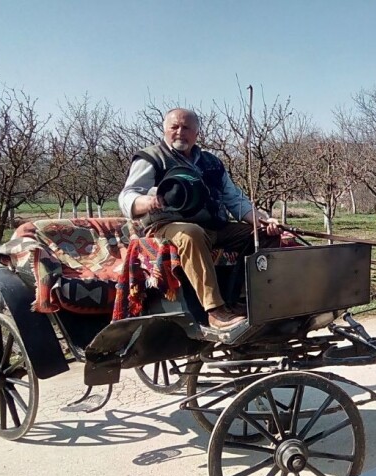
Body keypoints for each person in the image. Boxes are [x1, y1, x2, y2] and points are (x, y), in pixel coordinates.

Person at [118, 108, 281, 330]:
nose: (180, 132)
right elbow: (128, 196)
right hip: (167, 226)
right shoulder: (151, 158)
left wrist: (262, 220)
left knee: (262, 235)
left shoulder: (212, 162)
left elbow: (234, 199)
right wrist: (148, 201)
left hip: (214, 226)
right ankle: (215, 312)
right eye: (174, 127)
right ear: (165, 130)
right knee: (192, 233)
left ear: (197, 133)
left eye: (186, 128)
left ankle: (245, 300)